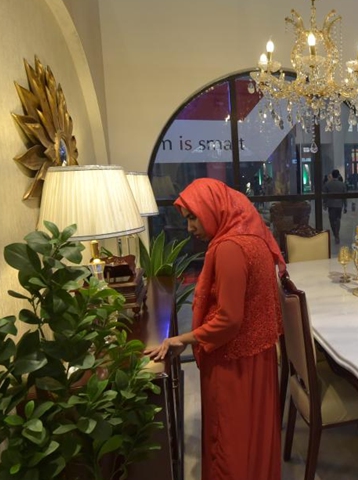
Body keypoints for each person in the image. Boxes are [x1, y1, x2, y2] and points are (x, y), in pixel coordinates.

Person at [145, 178, 285, 480]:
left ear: (212, 208)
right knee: (255, 437)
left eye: (193, 217)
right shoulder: (255, 237)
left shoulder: (229, 249)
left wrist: (182, 338)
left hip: (233, 365)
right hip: (257, 359)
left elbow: (228, 320)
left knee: (231, 443)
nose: (190, 227)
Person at [324, 169, 347, 244]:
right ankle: (337, 234)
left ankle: (335, 233)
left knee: (331, 220)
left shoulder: (327, 184)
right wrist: (345, 206)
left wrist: (324, 204)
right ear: (338, 175)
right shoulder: (342, 184)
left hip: (331, 205)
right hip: (339, 205)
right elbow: (345, 196)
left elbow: (325, 196)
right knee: (338, 219)